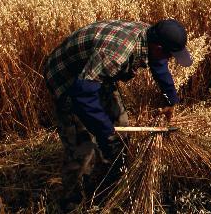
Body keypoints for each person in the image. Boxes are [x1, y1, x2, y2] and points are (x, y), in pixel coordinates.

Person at [44, 18, 193, 209]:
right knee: (83, 148)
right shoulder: (116, 56)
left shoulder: (150, 38)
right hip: (68, 79)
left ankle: (110, 179)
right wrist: (105, 131)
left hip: (94, 73)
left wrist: (170, 99)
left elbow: (158, 63)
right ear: (158, 47)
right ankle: (71, 202)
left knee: (121, 126)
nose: (170, 59)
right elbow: (82, 94)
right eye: (170, 55)